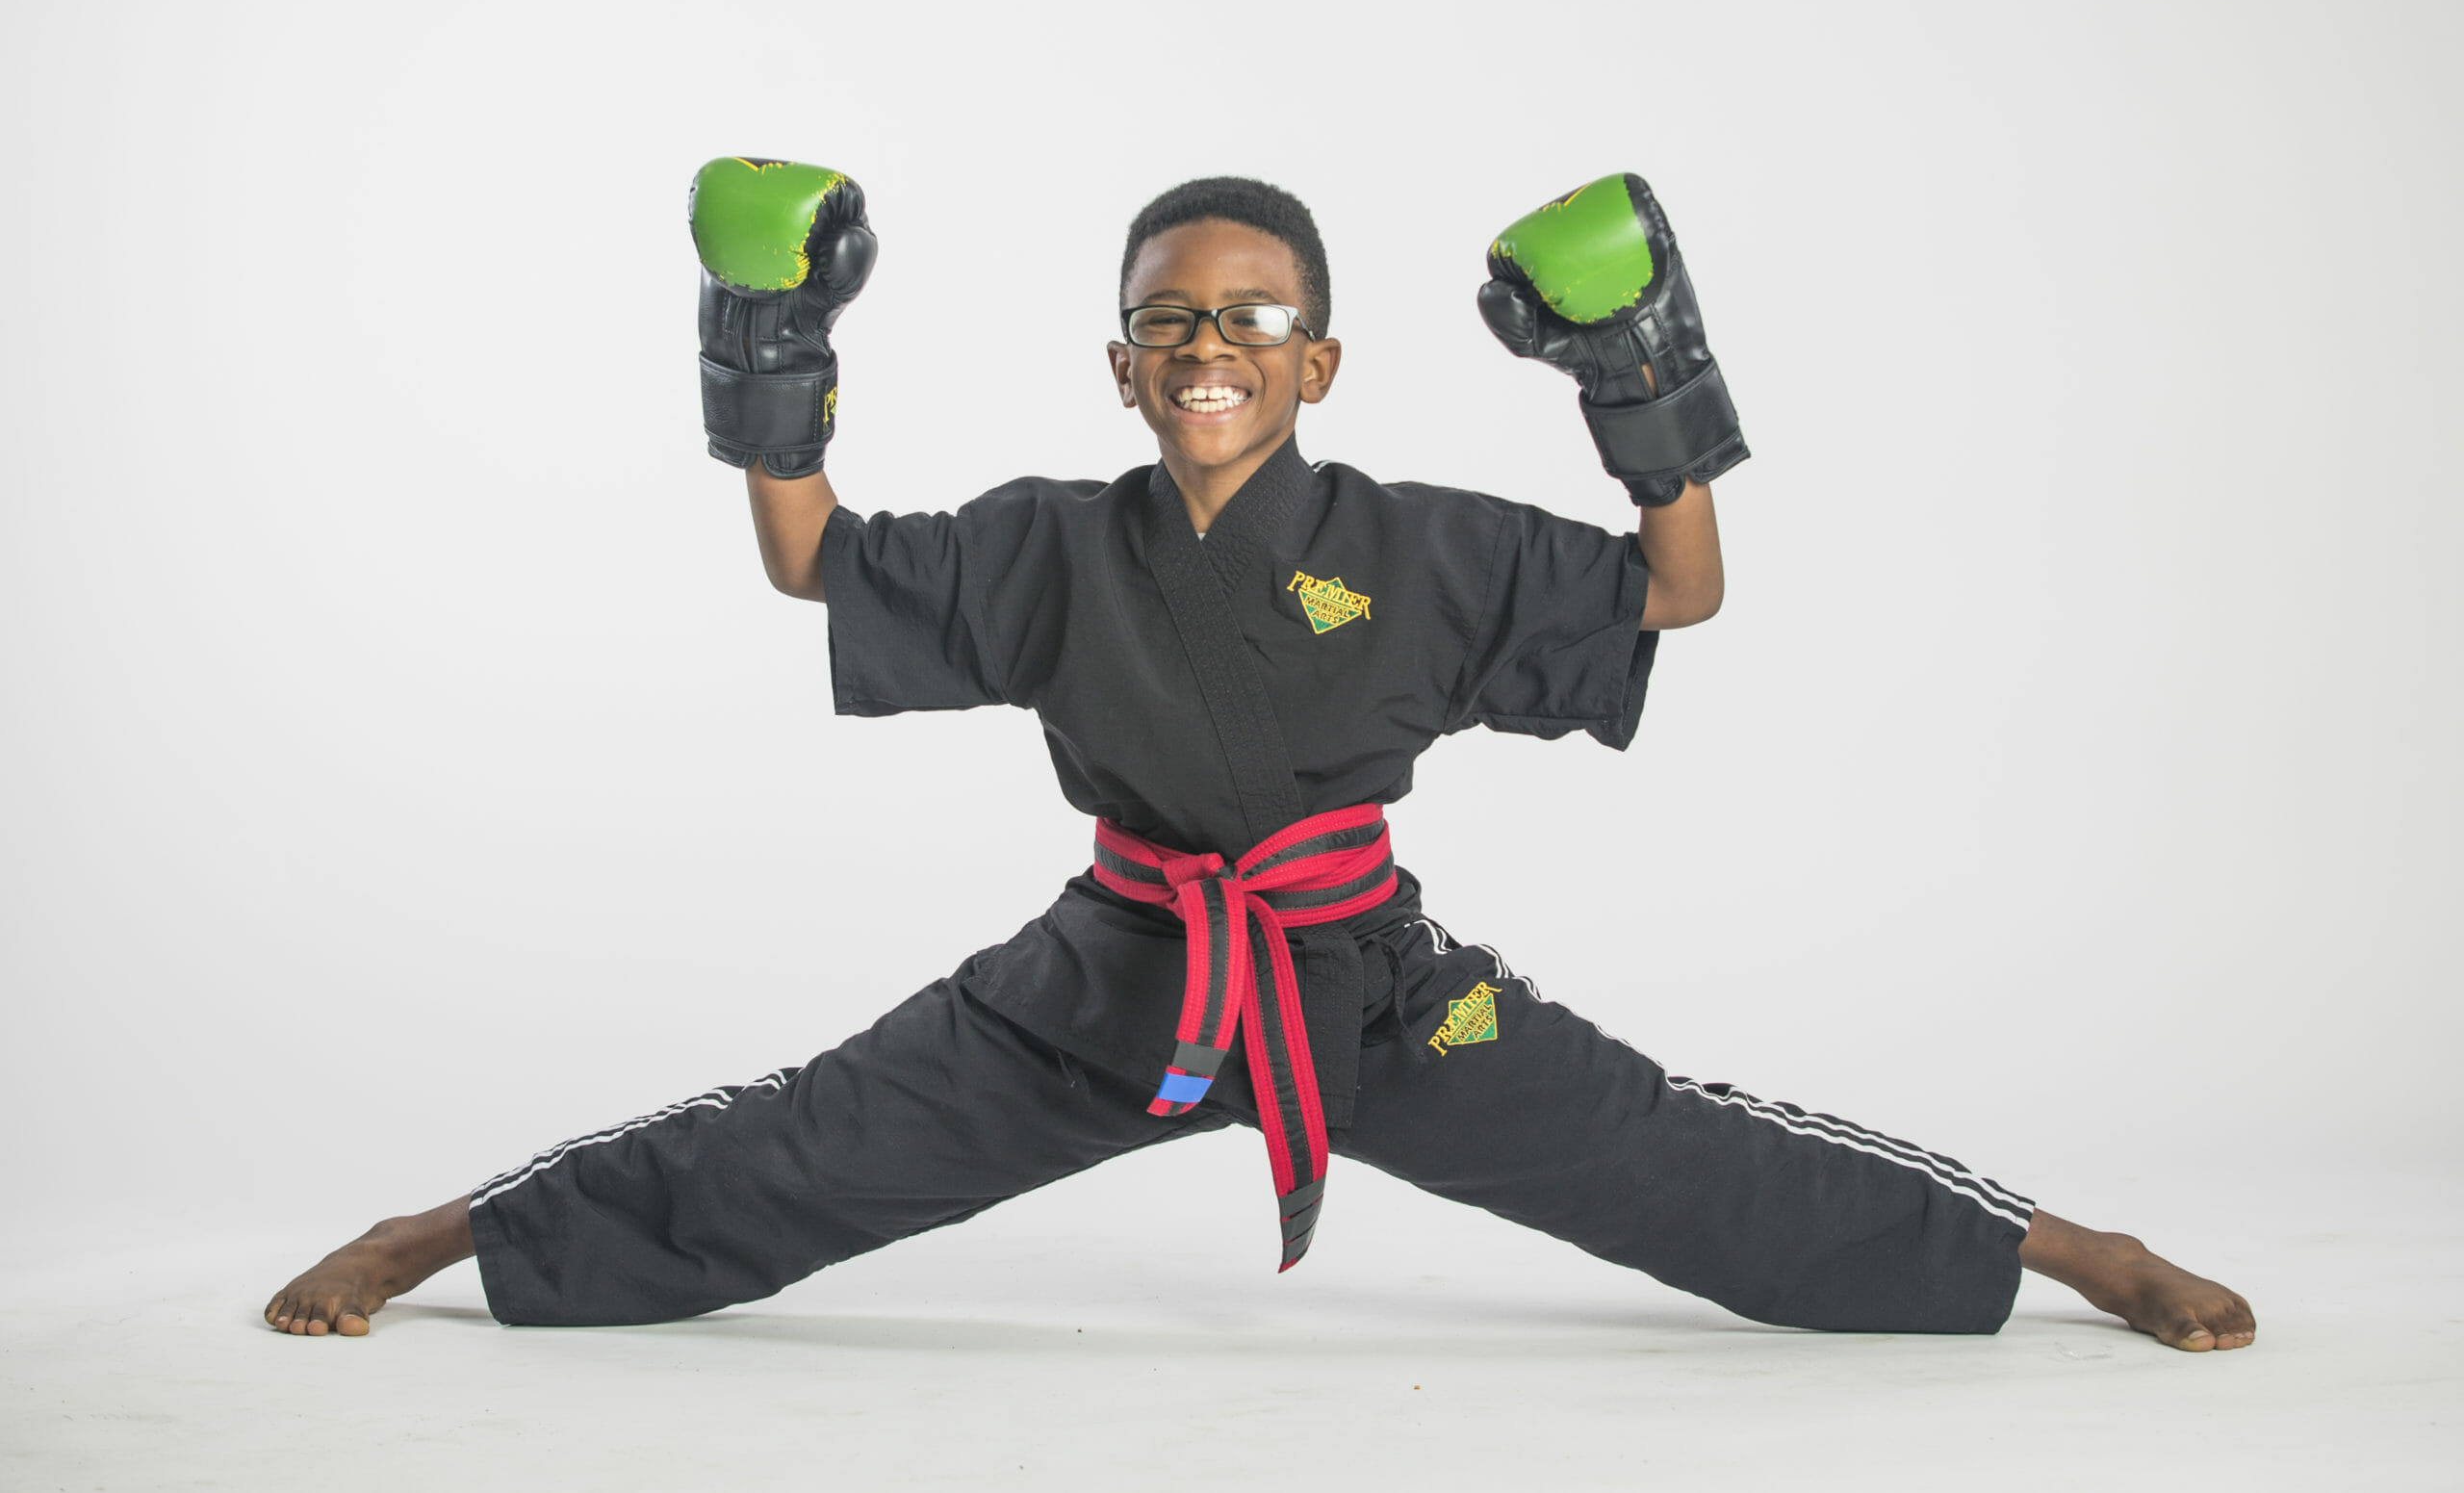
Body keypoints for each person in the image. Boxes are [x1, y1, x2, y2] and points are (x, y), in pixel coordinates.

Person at [266, 164, 2255, 1352]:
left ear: (1316, 361)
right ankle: (451, 1229)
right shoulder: (1047, 540)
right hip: (1094, 990)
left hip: (1367, 987)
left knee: (1679, 1156)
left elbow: (1676, 595)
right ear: (1121, 360)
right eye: (1164, 319)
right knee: (790, 1143)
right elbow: (808, 557)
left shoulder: (1416, 546)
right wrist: (762, 342)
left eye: (1251, 316)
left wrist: (1634, 378)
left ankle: (2061, 1245)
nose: (1205, 342)